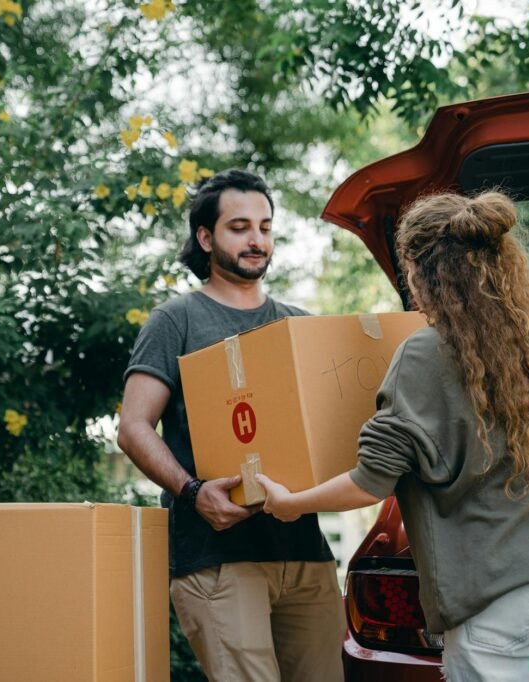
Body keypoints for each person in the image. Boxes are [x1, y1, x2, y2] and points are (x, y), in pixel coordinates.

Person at [256, 191, 529, 681]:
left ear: (417, 270)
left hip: (496, 594)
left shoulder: (424, 353)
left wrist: (292, 503)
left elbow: (372, 482)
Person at [117, 168, 345, 682]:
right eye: (239, 227)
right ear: (205, 237)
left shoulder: (300, 325)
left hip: (305, 554)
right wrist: (193, 491)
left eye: (265, 227)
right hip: (217, 558)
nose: (256, 240)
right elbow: (133, 427)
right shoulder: (176, 320)